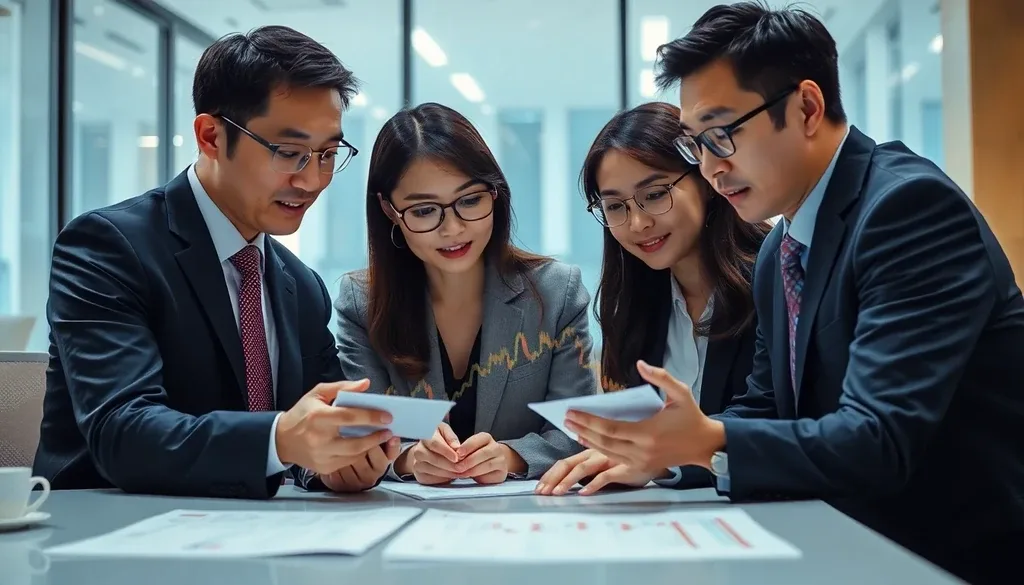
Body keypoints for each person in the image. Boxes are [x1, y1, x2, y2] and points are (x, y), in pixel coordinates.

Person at [562, 3, 1024, 583]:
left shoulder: (906, 209)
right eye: (698, 145)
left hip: (949, 557)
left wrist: (704, 440)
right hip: (842, 545)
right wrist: (663, 456)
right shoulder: (784, 251)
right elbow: (766, 410)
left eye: (722, 135)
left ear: (806, 107)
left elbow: (878, 438)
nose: (710, 168)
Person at [34, 26, 400, 499]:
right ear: (210, 136)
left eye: (328, 154)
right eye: (289, 153)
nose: (312, 180)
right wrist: (282, 439)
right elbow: (121, 431)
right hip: (107, 536)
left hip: (257, 542)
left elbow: (319, 420)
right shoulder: (109, 247)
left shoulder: (300, 283)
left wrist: (336, 462)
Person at [324, 102, 598, 489]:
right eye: (424, 210)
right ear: (389, 210)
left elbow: (581, 429)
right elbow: (355, 434)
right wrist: (408, 457)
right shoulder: (361, 302)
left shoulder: (557, 292)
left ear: (496, 194)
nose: (453, 228)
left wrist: (511, 455)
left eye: (470, 201)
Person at [535, 103, 771, 496]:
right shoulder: (633, 303)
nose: (638, 223)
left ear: (706, 179)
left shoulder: (772, 278)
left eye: (655, 194)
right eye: (615, 207)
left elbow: (776, 426)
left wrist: (663, 462)